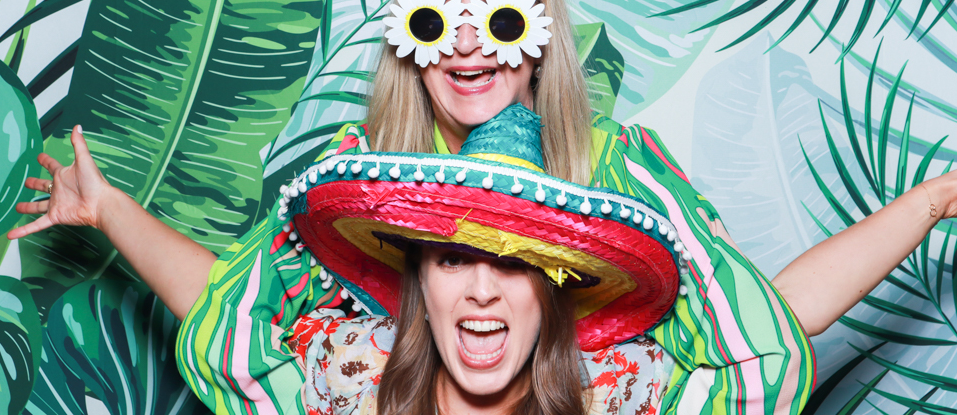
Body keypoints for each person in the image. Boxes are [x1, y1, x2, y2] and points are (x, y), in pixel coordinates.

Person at [10, 0, 957, 415]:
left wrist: (925, 201)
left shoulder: (621, 169)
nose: (468, 45)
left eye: (497, 18)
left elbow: (756, 319)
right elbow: (238, 311)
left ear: (537, 39)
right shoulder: (359, 177)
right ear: (409, 38)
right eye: (437, 18)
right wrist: (111, 213)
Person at [282, 102, 680, 415]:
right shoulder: (350, 365)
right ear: (419, 278)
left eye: (514, 263)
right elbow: (228, 327)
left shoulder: (628, 386)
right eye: (453, 259)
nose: (483, 291)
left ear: (553, 286)